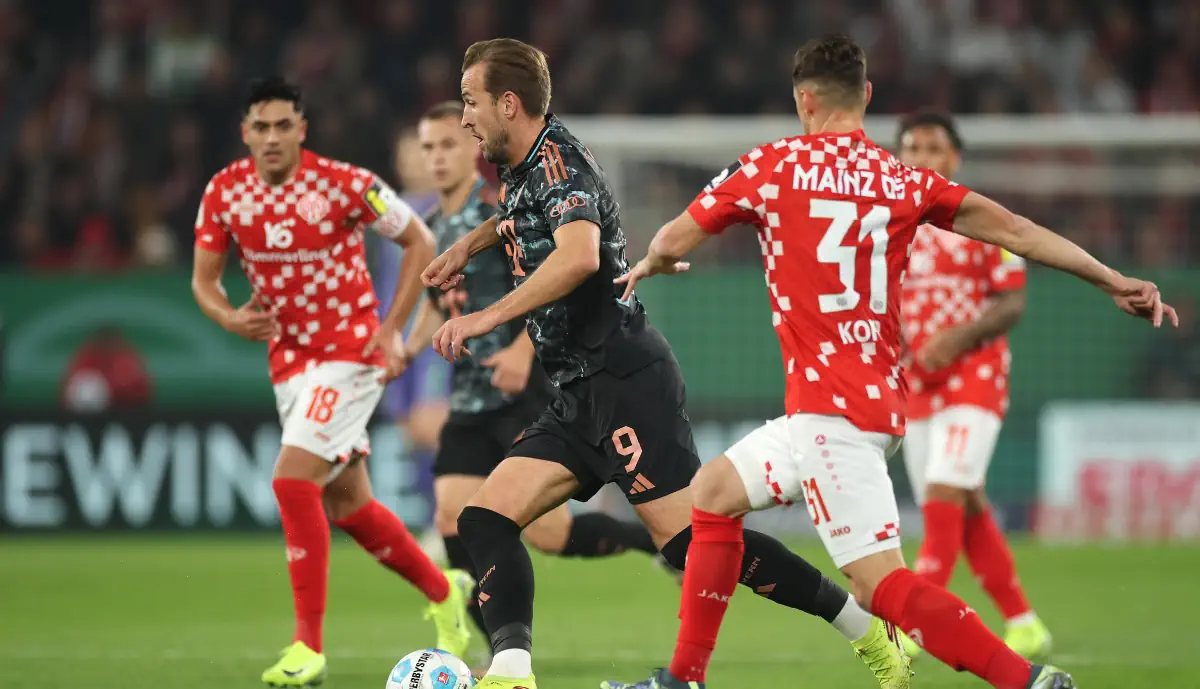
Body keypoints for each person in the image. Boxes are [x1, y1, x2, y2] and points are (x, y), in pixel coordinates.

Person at [605, 33, 1175, 689]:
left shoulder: (769, 167)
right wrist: (1111, 279)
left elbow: (676, 236)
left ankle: (1027, 679)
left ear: (803, 100)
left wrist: (655, 258)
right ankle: (684, 678)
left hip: (832, 416)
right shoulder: (902, 179)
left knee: (880, 585)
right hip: (867, 403)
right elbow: (1016, 230)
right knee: (712, 494)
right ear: (867, 96)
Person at [423, 38, 911, 689]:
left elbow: (579, 257)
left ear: (507, 104)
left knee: (692, 545)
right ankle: (513, 672)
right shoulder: (524, 159)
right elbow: (521, 216)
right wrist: (472, 245)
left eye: (471, 102)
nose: (463, 118)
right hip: (576, 395)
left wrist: (486, 316)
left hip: (625, 383)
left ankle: (868, 632)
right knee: (484, 517)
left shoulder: (559, 166)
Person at [190, 77, 473, 688]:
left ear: (301, 129)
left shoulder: (347, 184)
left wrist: (391, 327)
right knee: (350, 506)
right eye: (259, 127)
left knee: (293, 482)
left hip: (351, 353)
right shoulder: (223, 193)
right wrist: (227, 315)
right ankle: (443, 588)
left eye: (282, 125)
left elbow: (419, 238)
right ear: (245, 133)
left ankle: (307, 647)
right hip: (289, 363)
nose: (271, 138)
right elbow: (204, 281)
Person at [404, 100, 669, 657]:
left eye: (449, 142)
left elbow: (546, 283)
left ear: (472, 144)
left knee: (545, 535)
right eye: (428, 147)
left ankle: (651, 543)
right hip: (470, 397)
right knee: (455, 515)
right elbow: (443, 302)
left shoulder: (506, 202)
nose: (438, 157)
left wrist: (522, 351)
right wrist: (402, 351)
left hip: (521, 389)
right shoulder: (435, 227)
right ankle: (497, 649)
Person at [894, 110, 1051, 660]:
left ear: (954, 158)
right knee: (966, 499)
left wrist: (957, 338)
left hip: (976, 375)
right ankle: (1023, 620)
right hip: (917, 382)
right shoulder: (889, 228)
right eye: (910, 148)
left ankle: (914, 626)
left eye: (933, 148)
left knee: (942, 493)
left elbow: (1012, 301)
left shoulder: (982, 220)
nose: (920, 158)